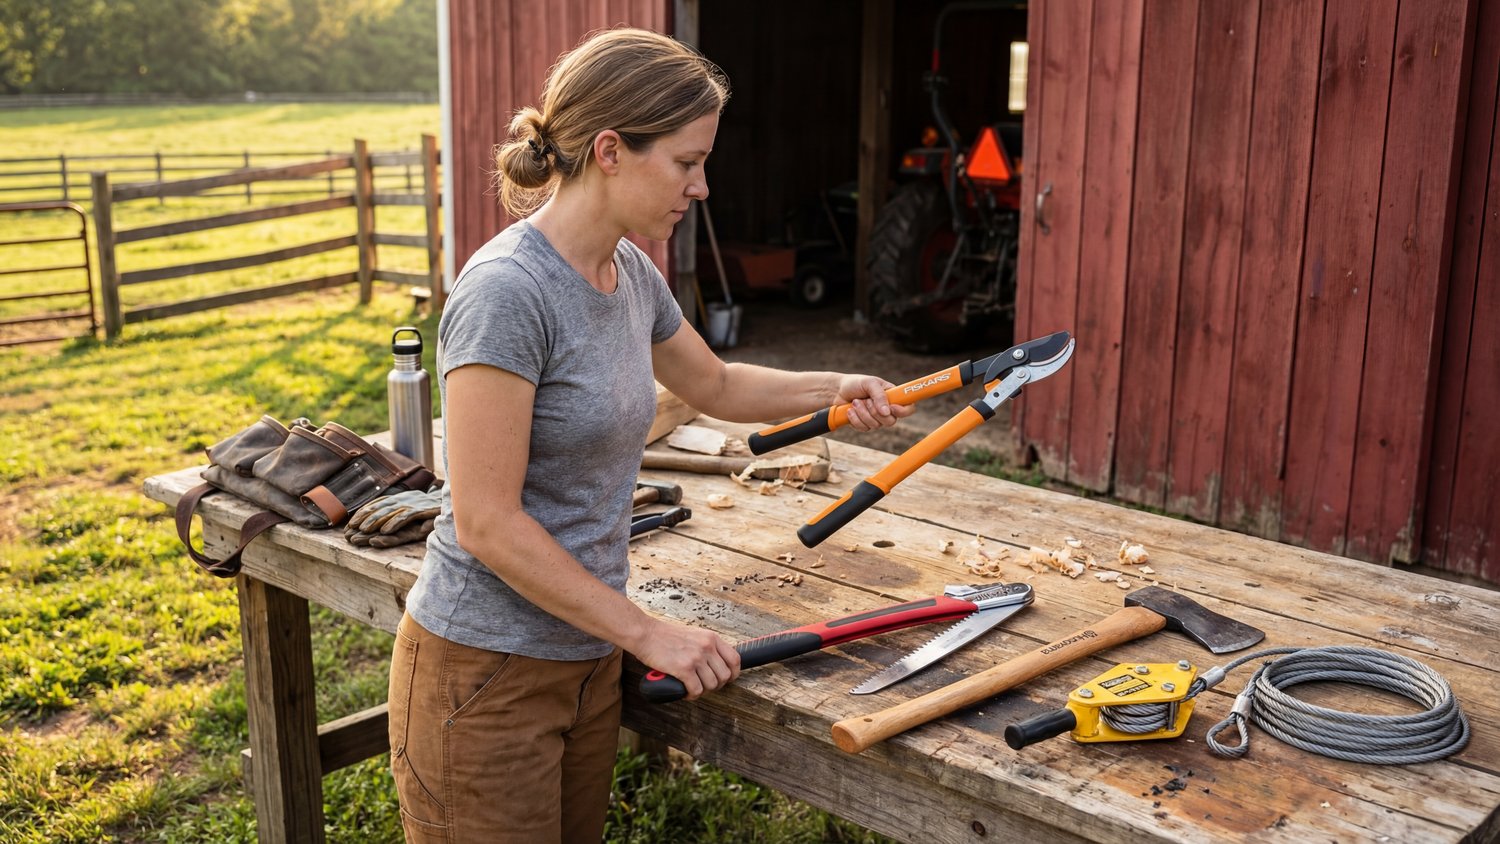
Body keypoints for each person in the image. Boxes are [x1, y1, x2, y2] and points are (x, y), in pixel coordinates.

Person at [388, 27, 912, 843]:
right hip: (483, 669)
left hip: (587, 657)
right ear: (608, 150)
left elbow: (716, 384)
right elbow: (486, 522)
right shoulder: (507, 294)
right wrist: (648, 630)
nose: (701, 187)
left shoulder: (629, 273)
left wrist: (838, 386)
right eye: (685, 161)